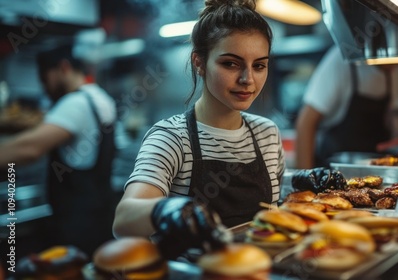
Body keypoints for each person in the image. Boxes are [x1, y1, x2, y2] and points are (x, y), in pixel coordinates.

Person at [112, 0, 285, 256]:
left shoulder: (267, 133)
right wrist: (164, 210)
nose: (248, 79)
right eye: (231, 64)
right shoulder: (171, 137)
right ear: (199, 62)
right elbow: (123, 221)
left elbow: (274, 214)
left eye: (259, 65)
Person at [0, 44, 117, 256]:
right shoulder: (100, 98)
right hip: (100, 220)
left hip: (75, 229)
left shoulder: (75, 103)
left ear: (63, 68)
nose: (44, 88)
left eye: (45, 79)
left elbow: (29, 149)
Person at [294, 45, 398, 168]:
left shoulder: (394, 65)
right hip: (335, 169)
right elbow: (305, 123)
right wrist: (305, 179)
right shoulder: (343, 58)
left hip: (375, 169)